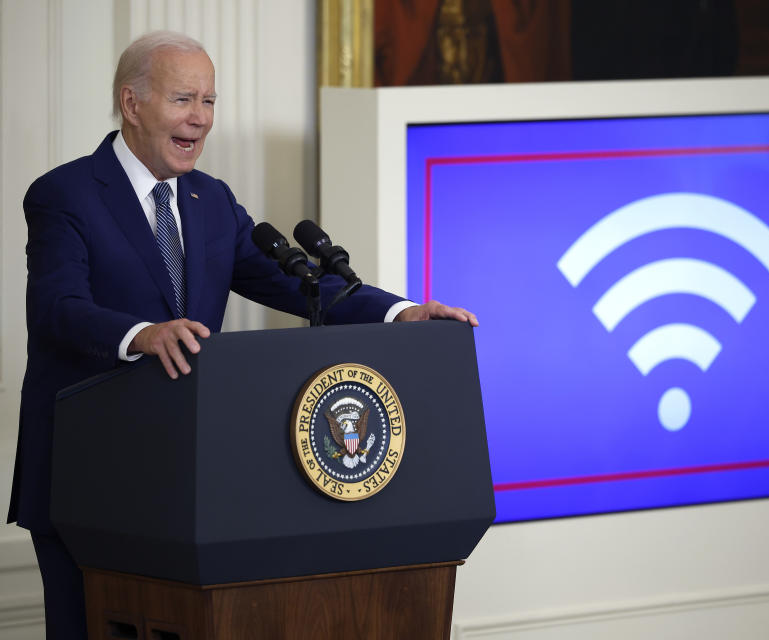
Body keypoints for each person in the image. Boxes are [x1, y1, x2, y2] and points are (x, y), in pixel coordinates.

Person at [6, 30, 477, 640]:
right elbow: (55, 308)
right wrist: (142, 334)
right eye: (183, 100)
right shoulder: (64, 194)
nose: (200, 120)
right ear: (131, 103)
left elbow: (297, 285)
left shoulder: (211, 201)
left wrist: (400, 313)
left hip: (183, 483)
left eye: (209, 102)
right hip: (86, 479)